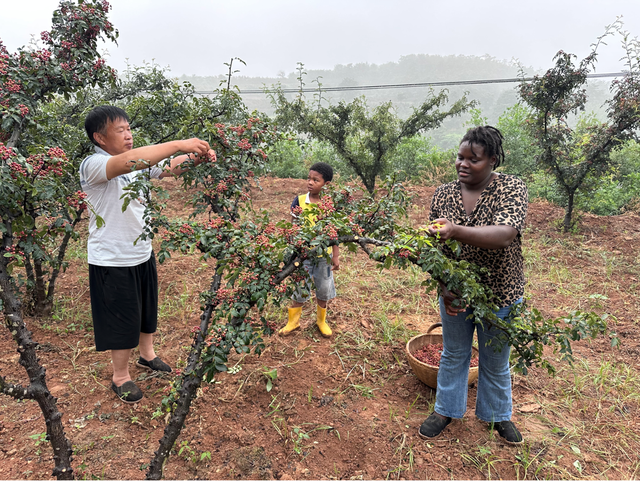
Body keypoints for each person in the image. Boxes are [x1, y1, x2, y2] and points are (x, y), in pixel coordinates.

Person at [80, 105, 215, 403]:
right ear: (100, 138)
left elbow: (168, 167)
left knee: (145, 309)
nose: (128, 135)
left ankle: (147, 355)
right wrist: (180, 143)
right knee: (122, 316)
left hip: (141, 251)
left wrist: (195, 155)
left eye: (129, 128)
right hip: (112, 259)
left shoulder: (137, 166)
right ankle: (121, 377)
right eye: (120, 130)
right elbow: (132, 160)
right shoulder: (93, 165)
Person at [418, 125, 528, 445]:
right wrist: (444, 286)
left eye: (473, 159)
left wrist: (455, 230)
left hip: (501, 291)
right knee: (454, 353)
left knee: (495, 358)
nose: (463, 164)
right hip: (457, 290)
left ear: (493, 160)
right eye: (460, 157)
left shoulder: (511, 188)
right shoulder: (444, 194)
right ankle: (446, 409)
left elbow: (504, 234)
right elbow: (437, 248)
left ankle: (498, 415)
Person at [279, 162, 340, 338]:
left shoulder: (330, 205)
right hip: (303, 255)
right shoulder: (298, 201)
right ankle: (293, 322)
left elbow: (334, 232)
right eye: (309, 178)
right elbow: (292, 228)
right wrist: (293, 248)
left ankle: (321, 321)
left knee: (323, 288)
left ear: (326, 185)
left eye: (316, 180)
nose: (310, 182)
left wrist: (335, 255)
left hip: (323, 257)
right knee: (300, 286)